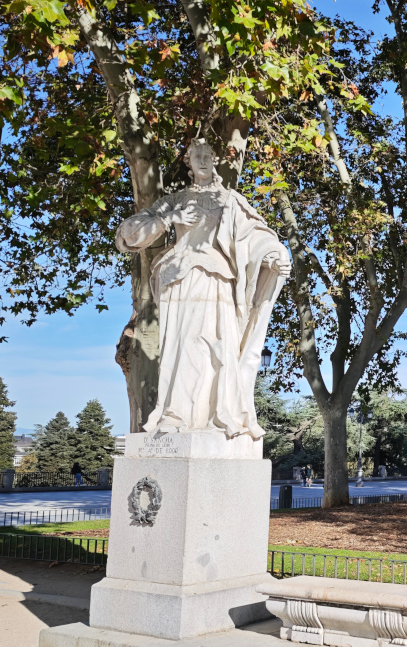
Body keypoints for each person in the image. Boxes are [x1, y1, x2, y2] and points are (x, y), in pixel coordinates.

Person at [115, 139, 290, 438]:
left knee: (216, 344)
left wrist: (275, 255)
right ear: (188, 161)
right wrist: (168, 218)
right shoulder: (176, 199)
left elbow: (257, 235)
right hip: (180, 278)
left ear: (216, 160)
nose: (204, 160)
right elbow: (127, 236)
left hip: (218, 278)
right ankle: (175, 413)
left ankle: (216, 414)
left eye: (209, 155)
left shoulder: (231, 200)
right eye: (197, 155)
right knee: (182, 343)